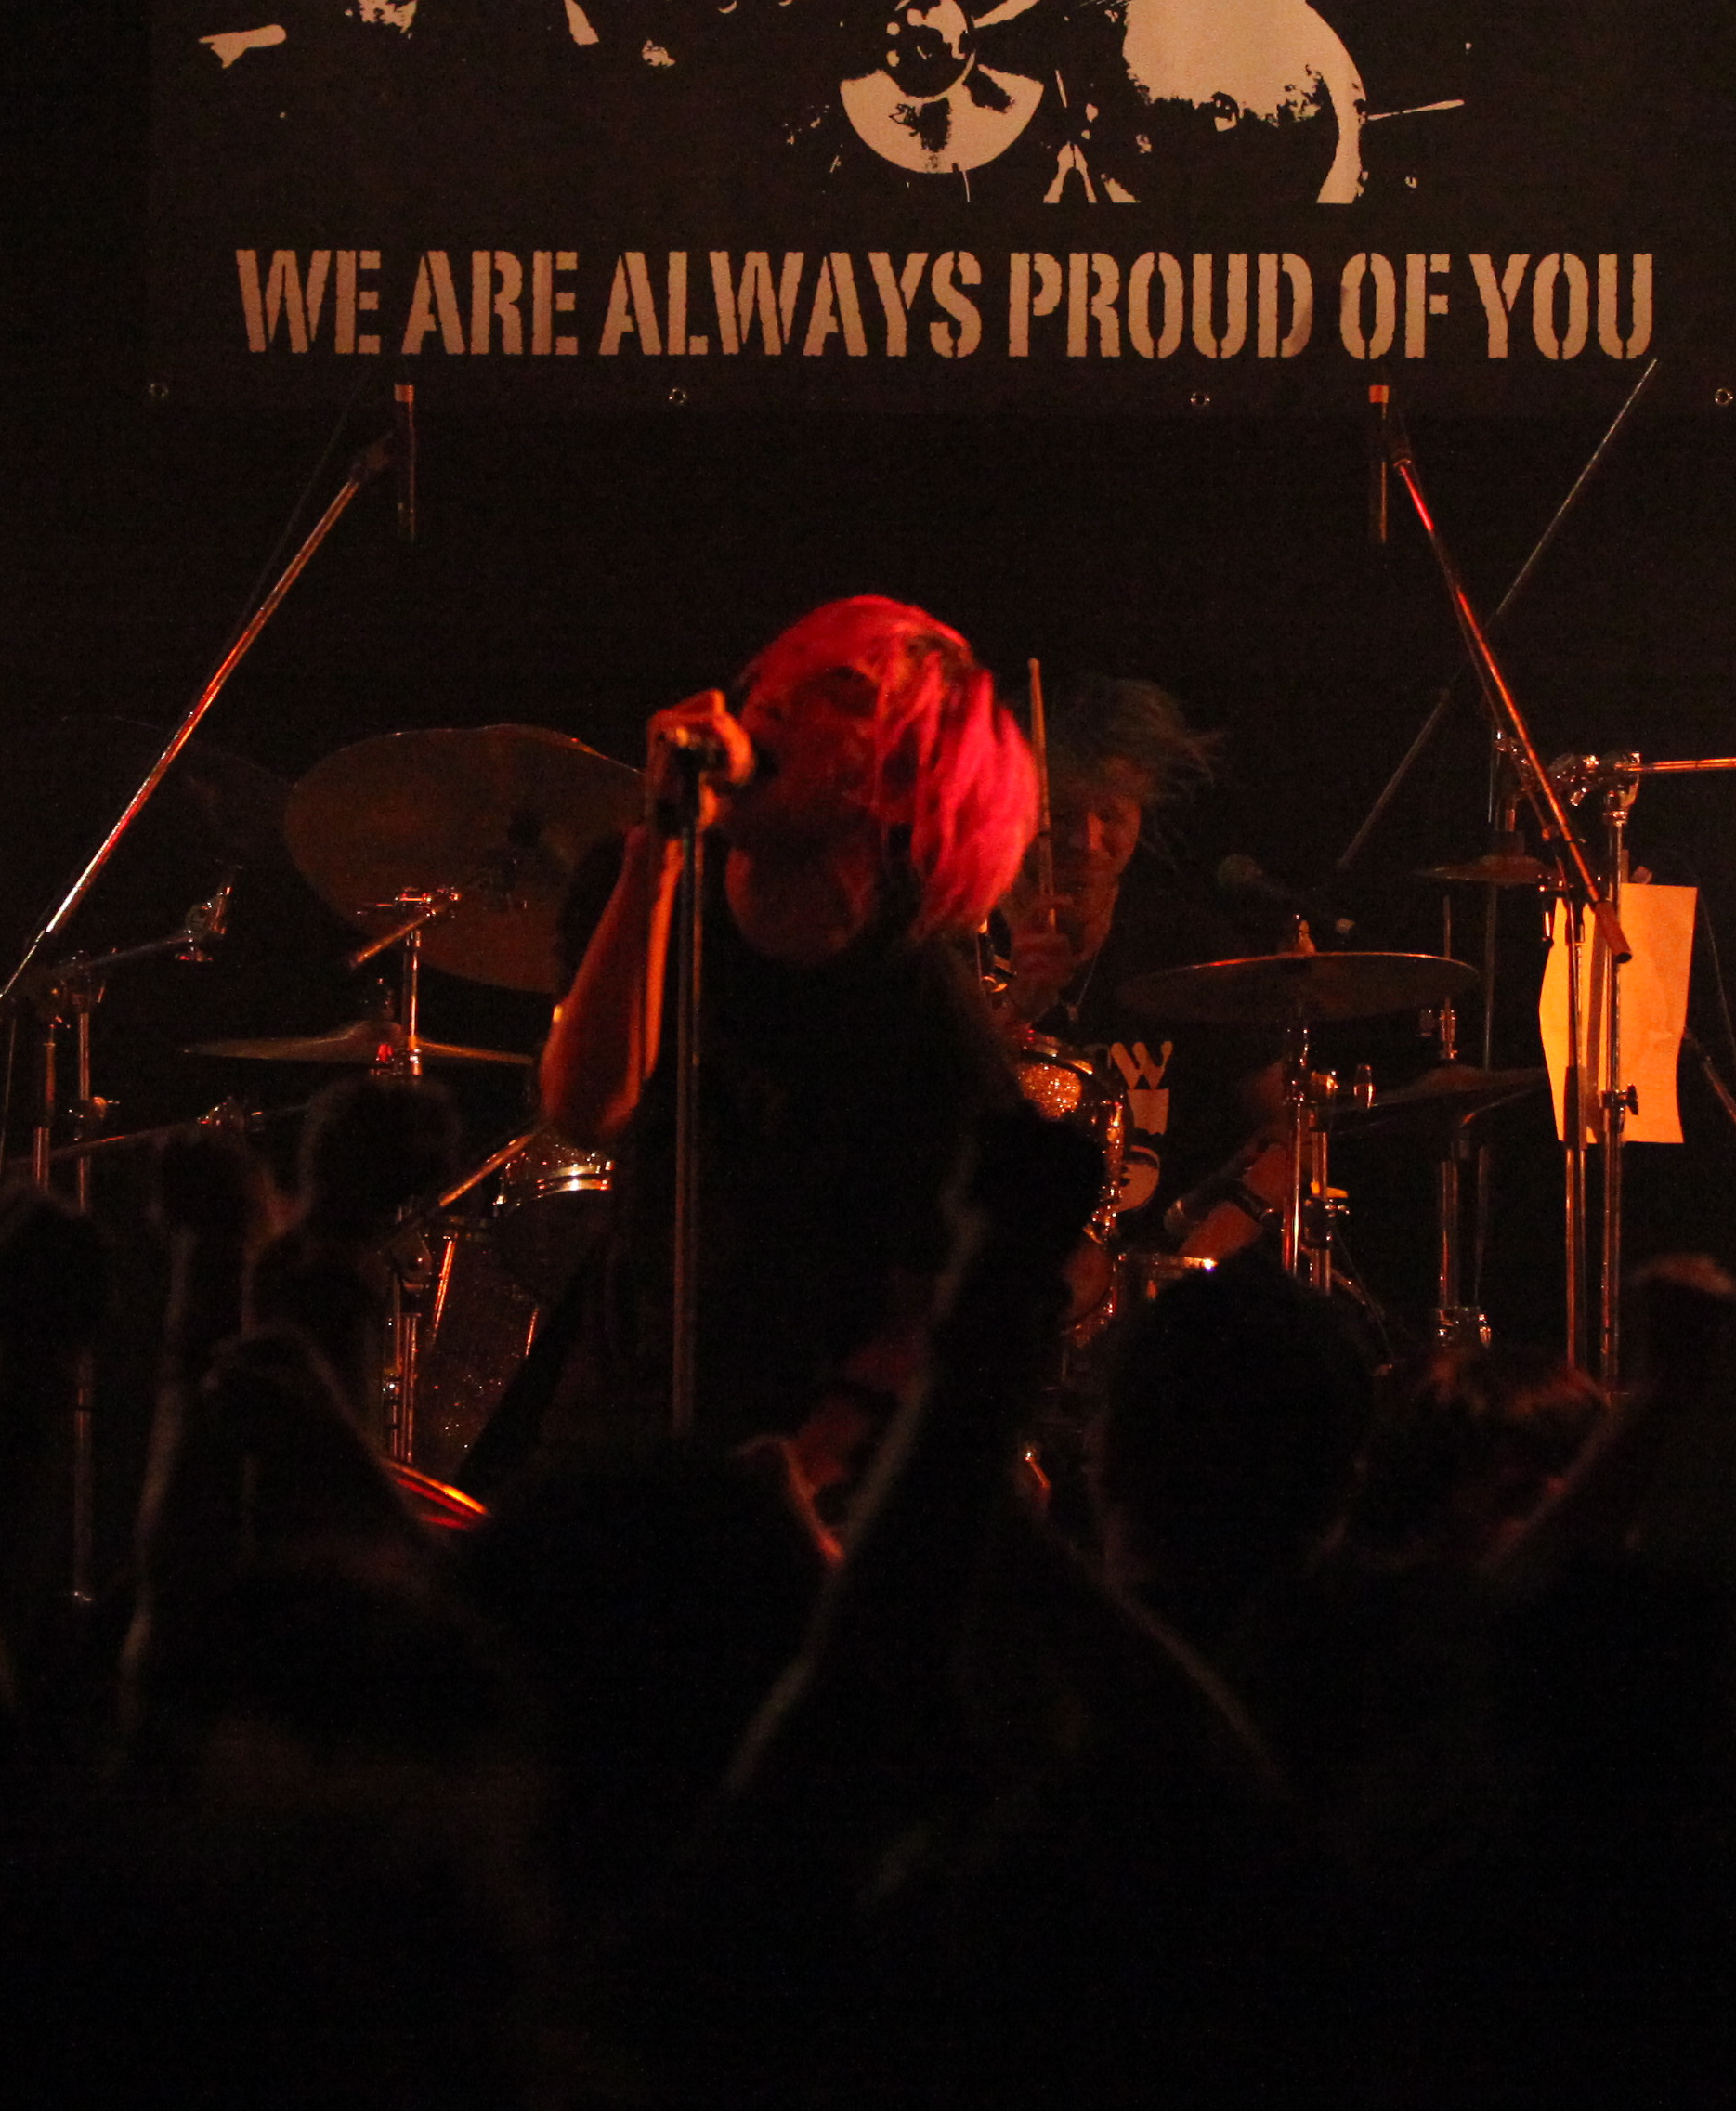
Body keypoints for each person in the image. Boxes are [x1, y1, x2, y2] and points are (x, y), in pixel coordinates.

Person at [498, 597, 1032, 1486]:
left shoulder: (925, 1021)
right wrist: (660, 848)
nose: (772, 697)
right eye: (777, 676)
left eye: (840, 692)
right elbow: (588, 1109)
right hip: (616, 1423)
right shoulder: (643, 887)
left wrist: (810, 1462)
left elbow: (945, 1304)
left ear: (902, 782)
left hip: (807, 1478)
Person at [993, 675, 1295, 1273]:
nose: (1088, 840)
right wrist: (1016, 1007)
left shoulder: (1184, 945)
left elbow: (1285, 1128)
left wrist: (1195, 1260)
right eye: (1062, 814)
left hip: (1156, 1285)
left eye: (1110, 814)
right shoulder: (951, 939)